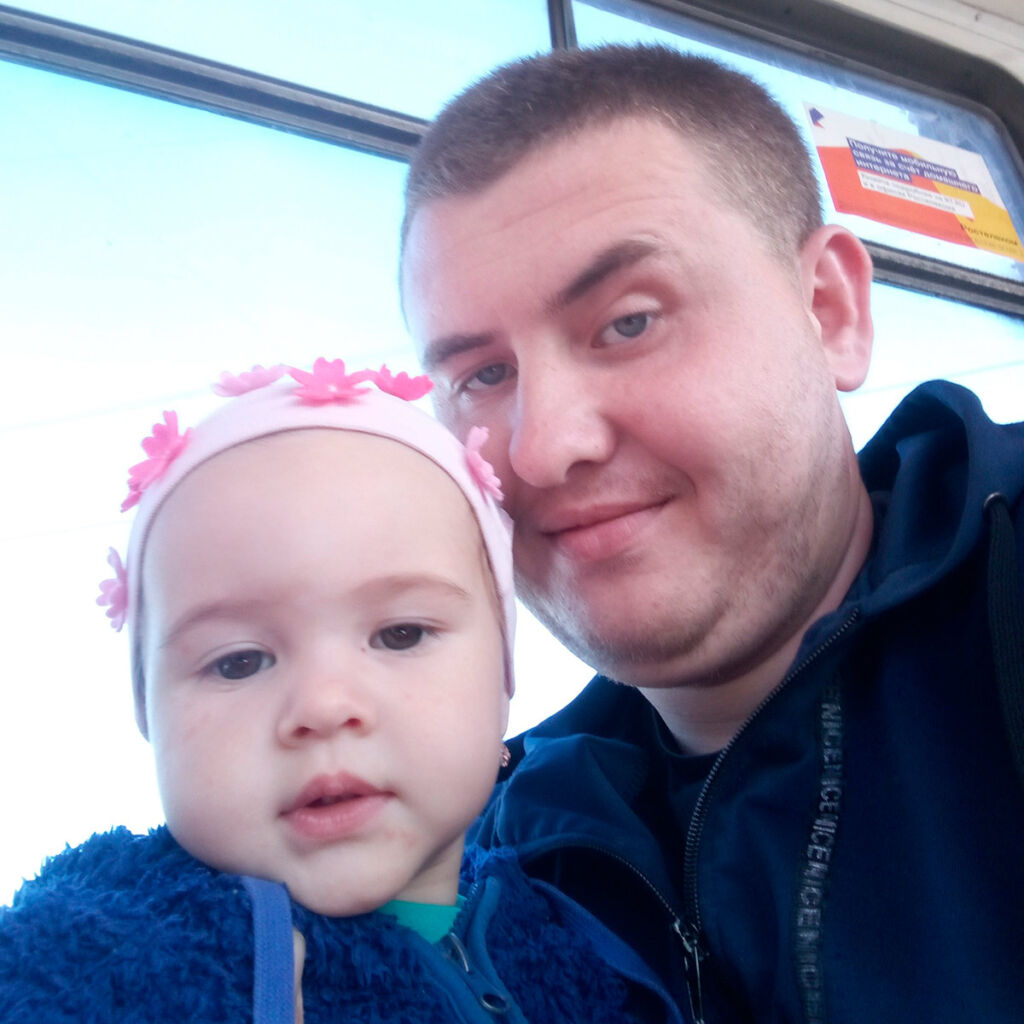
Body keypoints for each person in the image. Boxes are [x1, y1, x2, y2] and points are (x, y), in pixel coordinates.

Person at [399, 44, 1024, 1024]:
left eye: (629, 323)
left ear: (828, 312)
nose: (545, 447)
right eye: (481, 376)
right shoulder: (486, 868)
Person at [0, 358, 681, 1023]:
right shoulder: (105, 958)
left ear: (502, 671)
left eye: (400, 635)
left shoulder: (584, 944)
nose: (324, 707)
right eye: (238, 663)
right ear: (147, 712)